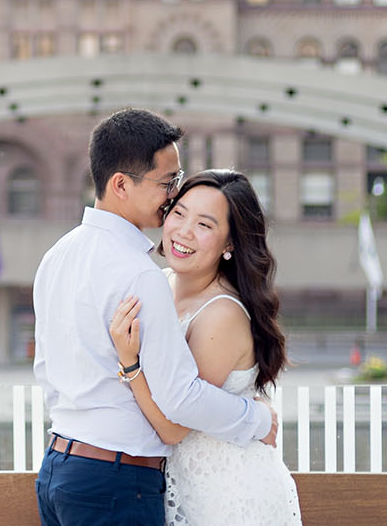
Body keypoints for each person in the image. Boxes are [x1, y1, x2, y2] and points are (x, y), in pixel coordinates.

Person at [34, 110, 276, 526]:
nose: (172, 195)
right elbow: (180, 399)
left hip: (60, 466)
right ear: (121, 185)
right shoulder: (139, 274)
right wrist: (256, 418)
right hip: (115, 477)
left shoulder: (58, 255)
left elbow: (46, 372)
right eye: (168, 184)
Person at [110, 169, 302, 526]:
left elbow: (173, 426)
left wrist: (130, 364)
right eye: (179, 213)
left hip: (226, 495)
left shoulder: (221, 315)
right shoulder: (160, 283)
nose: (183, 232)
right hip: (175, 486)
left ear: (230, 244)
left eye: (205, 225)